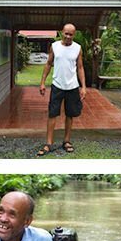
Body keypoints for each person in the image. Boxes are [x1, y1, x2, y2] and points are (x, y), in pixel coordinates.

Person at [38, 23, 87, 156]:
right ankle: (48, 143)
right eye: (66, 33)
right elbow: (48, 64)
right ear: (62, 32)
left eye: (71, 34)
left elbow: (80, 67)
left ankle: (66, 141)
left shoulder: (78, 48)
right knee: (52, 114)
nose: (68, 36)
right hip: (57, 85)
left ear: (74, 35)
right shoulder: (55, 46)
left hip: (72, 86)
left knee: (70, 114)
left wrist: (83, 87)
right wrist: (42, 82)